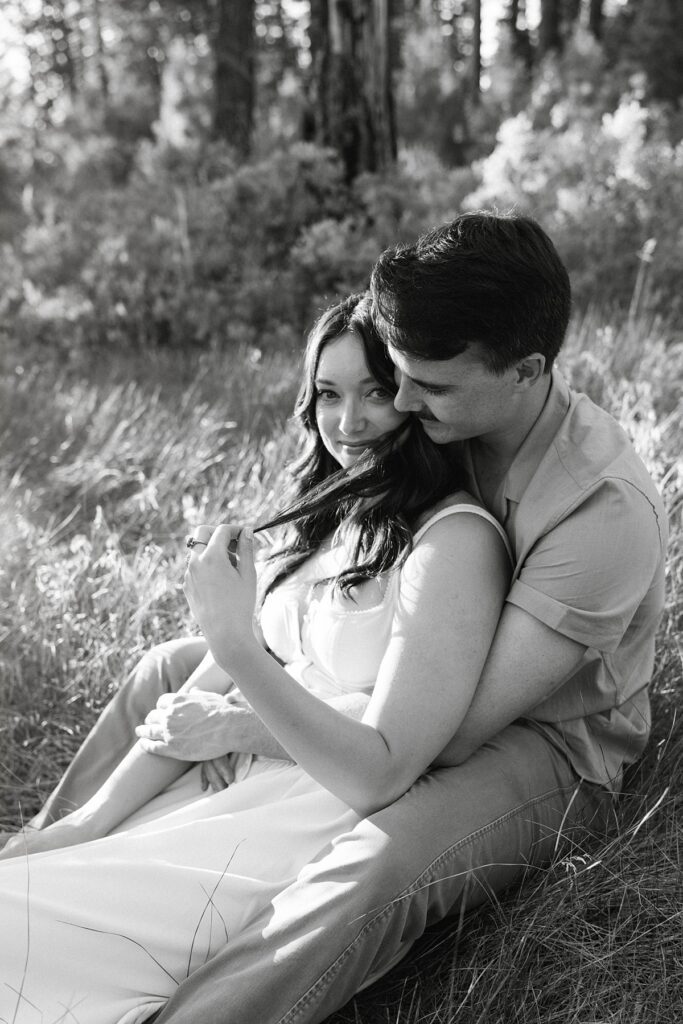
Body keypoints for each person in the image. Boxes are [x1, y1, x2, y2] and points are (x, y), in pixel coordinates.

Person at [4, 212, 667, 1024]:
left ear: (526, 370)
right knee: (168, 671)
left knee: (378, 863)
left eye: (429, 385)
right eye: (401, 375)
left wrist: (241, 722)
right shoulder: (446, 408)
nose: (402, 403)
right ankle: (55, 845)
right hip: (415, 664)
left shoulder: (603, 514)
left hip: (545, 740)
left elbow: (446, 739)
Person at [0, 292, 512, 1023]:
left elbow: (381, 762)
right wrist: (87, 822)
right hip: (224, 790)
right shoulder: (328, 521)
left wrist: (236, 686)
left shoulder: (453, 541)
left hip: (304, 816)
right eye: (328, 395)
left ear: (412, 395)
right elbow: (189, 713)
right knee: (35, 884)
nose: (349, 422)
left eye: (374, 392)